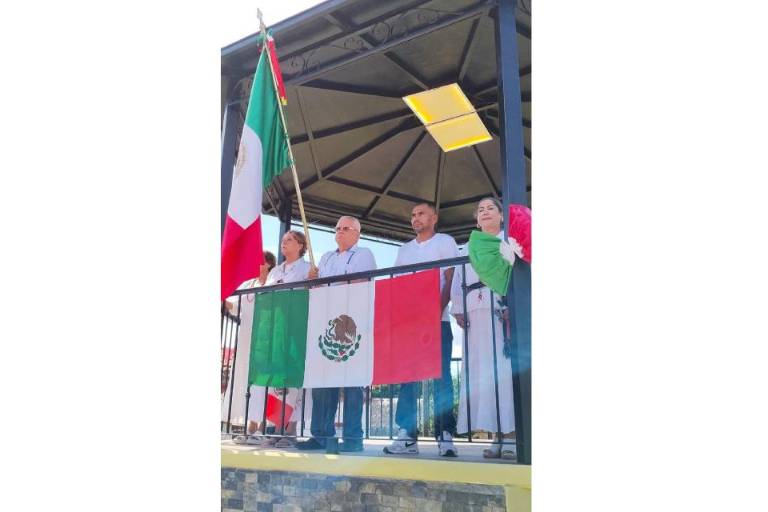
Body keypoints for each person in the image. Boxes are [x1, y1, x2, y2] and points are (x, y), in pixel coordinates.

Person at [383, 203, 460, 457]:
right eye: (413, 215)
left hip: (438, 321)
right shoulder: (404, 249)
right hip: (410, 324)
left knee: (442, 377)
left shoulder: (445, 242)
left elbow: (450, 278)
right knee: (408, 378)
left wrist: (436, 310)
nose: (416, 218)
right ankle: (407, 435)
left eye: (421, 214)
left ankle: (445, 434)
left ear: (434, 218)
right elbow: (398, 283)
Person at [296, 216, 377, 454]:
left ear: (357, 234)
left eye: (345, 228)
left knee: (352, 381)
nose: (340, 231)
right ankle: (321, 435)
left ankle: (353, 438)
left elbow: (360, 281)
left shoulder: (364, 254)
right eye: (337, 228)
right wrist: (312, 281)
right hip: (326, 322)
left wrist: (328, 287)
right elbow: (319, 288)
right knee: (322, 381)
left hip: (353, 323)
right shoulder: (326, 257)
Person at [450, 197, 516, 459]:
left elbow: (518, 275)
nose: (485, 212)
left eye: (491, 208)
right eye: (481, 210)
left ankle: (512, 436)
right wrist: (458, 309)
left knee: (504, 372)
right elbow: (457, 279)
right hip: (474, 313)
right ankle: (497, 435)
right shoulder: (467, 247)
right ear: (476, 219)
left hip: (501, 311)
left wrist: (514, 305)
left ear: (501, 216)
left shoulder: (509, 242)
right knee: (483, 375)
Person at [233, 232, 312, 447]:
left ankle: (289, 432)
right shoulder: (276, 271)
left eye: (289, 240)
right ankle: (267, 429)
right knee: (271, 382)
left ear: (301, 245)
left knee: (293, 382)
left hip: (295, 331)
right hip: (274, 332)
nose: (284, 243)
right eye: (283, 240)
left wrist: (311, 281)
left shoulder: (307, 269)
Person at [222, 251, 276, 439]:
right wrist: (223, 300)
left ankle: (261, 427)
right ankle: (248, 424)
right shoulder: (248, 284)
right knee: (245, 379)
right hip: (246, 337)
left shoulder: (275, 282)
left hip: (267, 337)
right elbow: (235, 307)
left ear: (268, 264)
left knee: (263, 381)